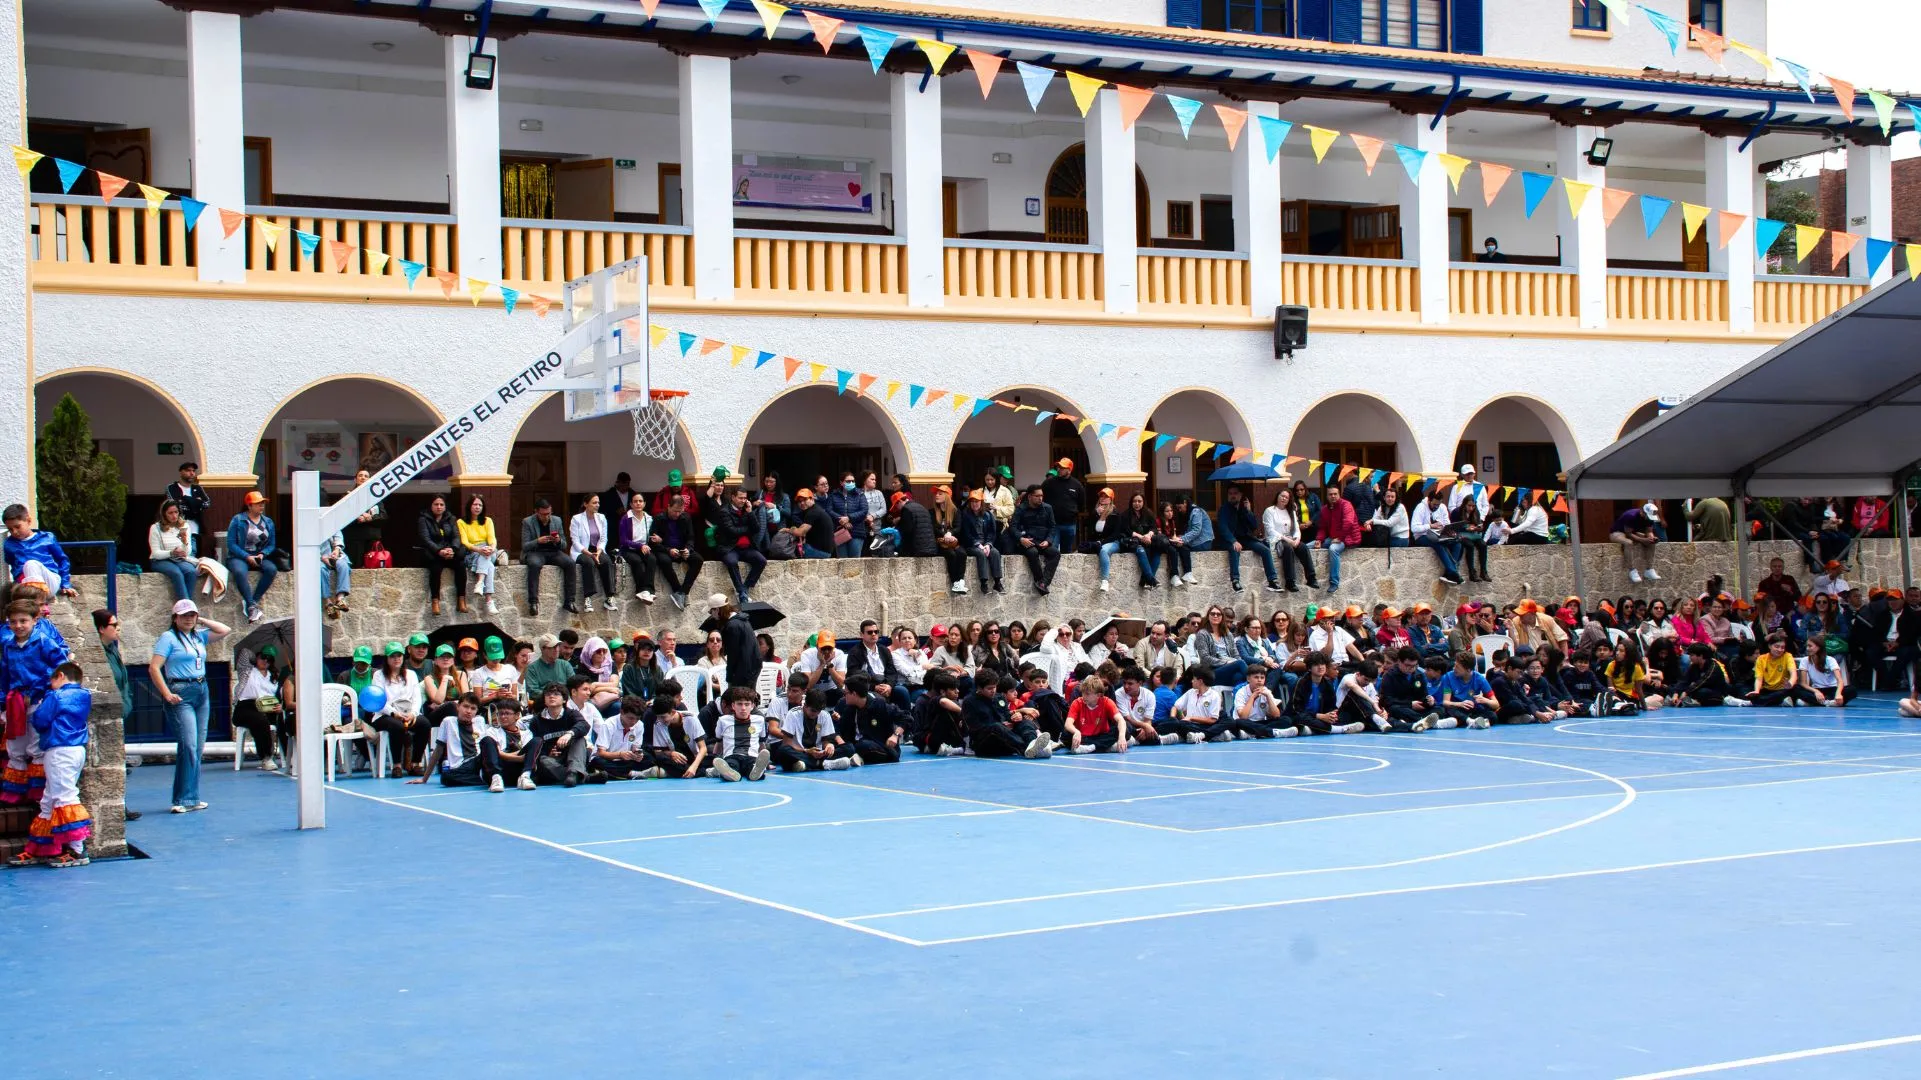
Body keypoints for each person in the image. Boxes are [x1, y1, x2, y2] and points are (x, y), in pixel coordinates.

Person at [148, 599, 229, 813]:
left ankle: (192, 797)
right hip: (181, 691)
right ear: (175, 618)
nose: (188, 619)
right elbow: (154, 668)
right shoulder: (168, 638)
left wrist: (200, 619)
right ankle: (182, 799)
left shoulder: (197, 635)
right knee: (189, 745)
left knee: (198, 746)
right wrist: (166, 693)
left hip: (202, 689)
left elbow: (224, 630)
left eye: (192, 615)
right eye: (184, 615)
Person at [13, 662, 92, 867]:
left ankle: (78, 850)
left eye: (52, 679)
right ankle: (43, 846)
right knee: (50, 799)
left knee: (64, 797)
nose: (50, 683)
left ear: (61, 676)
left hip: (58, 749)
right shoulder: (85, 695)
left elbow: (39, 720)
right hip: (77, 749)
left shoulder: (55, 696)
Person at [216, 492, 277, 623]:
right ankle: (251, 604)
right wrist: (247, 556)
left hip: (259, 556)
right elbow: (231, 544)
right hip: (239, 556)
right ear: (249, 506)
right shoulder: (238, 520)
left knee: (271, 569)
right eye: (258, 503)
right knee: (239, 571)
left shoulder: (268, 522)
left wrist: (263, 554)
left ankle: (252, 602)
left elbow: (272, 544)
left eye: (262, 503)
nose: (261, 506)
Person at [961, 674, 1052, 759]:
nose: (993, 690)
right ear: (979, 688)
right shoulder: (969, 702)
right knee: (996, 727)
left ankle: (1032, 745)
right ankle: (1027, 749)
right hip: (985, 743)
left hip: (1006, 739)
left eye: (994, 687)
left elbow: (1006, 715)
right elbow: (975, 728)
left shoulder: (999, 697)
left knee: (1024, 721)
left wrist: (1015, 717)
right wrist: (1002, 726)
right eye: (989, 688)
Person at [230, 646, 287, 770]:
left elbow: (278, 696)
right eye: (263, 657)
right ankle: (266, 757)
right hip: (247, 706)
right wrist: (262, 651)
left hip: (268, 707)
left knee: (285, 717)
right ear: (257, 658)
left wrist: (279, 707)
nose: (265, 661)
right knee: (260, 720)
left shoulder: (274, 677)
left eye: (269, 659)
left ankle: (290, 754)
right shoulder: (247, 671)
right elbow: (244, 652)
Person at [2, 504, 75, 601]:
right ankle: (34, 601)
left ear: (28, 521)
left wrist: (65, 584)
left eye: (17, 526)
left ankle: (38, 601)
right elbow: (12, 564)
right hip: (25, 585)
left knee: (31, 564)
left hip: (49, 582)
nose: (14, 532)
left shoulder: (47, 538)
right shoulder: (9, 544)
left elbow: (62, 560)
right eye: (10, 529)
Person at [1217, 486, 1282, 593]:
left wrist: (1249, 511)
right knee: (1235, 549)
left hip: (1245, 538)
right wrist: (1233, 541)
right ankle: (1235, 581)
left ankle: (1272, 581)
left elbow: (1254, 526)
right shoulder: (1224, 509)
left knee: (1265, 550)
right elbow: (1223, 527)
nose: (1232, 495)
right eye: (1230, 493)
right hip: (1229, 540)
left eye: (1235, 493)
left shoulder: (1244, 508)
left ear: (1240, 495)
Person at [148, 500, 213, 603]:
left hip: (179, 558)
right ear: (164, 514)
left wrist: (185, 543)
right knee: (176, 573)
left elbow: (187, 552)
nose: (174, 516)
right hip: (160, 560)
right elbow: (155, 552)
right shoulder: (155, 528)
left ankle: (188, 603)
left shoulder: (184, 526)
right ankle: (185, 606)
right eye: (170, 513)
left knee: (191, 571)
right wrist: (171, 553)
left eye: (176, 512)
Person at [519, 498, 575, 618]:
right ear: (536, 512)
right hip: (536, 552)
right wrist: (537, 541)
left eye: (549, 513)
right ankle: (533, 602)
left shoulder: (557, 520)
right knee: (534, 565)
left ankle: (570, 601)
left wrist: (558, 540)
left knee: (570, 563)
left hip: (553, 551)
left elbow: (564, 544)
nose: (547, 517)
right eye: (544, 514)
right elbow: (525, 546)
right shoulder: (527, 522)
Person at [714, 488, 768, 605]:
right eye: (740, 498)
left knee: (761, 561)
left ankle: (744, 589)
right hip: (730, 547)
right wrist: (748, 530)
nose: (743, 501)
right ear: (733, 497)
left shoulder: (746, 510)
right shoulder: (724, 511)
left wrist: (750, 512)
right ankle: (741, 591)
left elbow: (757, 528)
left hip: (747, 548)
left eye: (745, 498)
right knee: (732, 562)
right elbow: (731, 531)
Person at [415, 494, 467, 616]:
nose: (439, 507)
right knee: (435, 568)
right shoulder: (423, 519)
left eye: (441, 504)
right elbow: (425, 539)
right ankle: (435, 601)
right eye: (436, 504)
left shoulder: (451, 518)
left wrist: (452, 549)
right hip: (434, 553)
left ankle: (461, 599)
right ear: (431, 506)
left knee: (460, 565)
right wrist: (439, 551)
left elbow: (456, 536)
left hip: (449, 552)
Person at [652, 492, 704, 608]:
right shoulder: (659, 518)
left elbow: (691, 537)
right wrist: (669, 550)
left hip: (681, 549)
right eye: (675, 511)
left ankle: (683, 592)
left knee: (698, 559)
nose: (677, 514)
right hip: (665, 549)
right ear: (668, 506)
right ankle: (677, 590)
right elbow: (653, 542)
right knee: (664, 561)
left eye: (680, 511)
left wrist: (688, 549)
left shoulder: (685, 517)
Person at [1009, 485, 1061, 595]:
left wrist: (1048, 540)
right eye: (1037, 496)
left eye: (1041, 496)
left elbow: (1053, 527)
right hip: (1027, 541)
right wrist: (1021, 538)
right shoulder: (1021, 509)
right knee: (1033, 552)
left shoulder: (1048, 508)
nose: (1040, 498)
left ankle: (1043, 583)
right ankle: (1040, 581)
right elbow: (1013, 526)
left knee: (1055, 553)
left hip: (1043, 541)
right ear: (1029, 497)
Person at [1263, 488, 1315, 592]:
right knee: (1288, 548)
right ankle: (1290, 582)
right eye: (1282, 496)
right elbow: (1270, 530)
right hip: (1276, 539)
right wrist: (1287, 540)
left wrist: (1296, 539)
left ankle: (1311, 578)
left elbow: (1296, 528)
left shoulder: (1291, 511)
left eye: (1286, 497)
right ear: (1277, 496)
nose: (1284, 498)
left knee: (1303, 547)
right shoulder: (1269, 511)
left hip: (1290, 538)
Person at [1410, 488, 1465, 585]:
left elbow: (1447, 523)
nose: (1436, 507)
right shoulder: (1420, 507)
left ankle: (1449, 573)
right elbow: (1414, 528)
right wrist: (1430, 526)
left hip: (1440, 534)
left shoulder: (1442, 507)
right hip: (1422, 536)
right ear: (1429, 501)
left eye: (1438, 505)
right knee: (1438, 544)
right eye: (1434, 504)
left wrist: (1450, 531)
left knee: (1457, 543)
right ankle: (1453, 572)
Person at [456, 495, 500, 615]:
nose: (477, 507)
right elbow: (465, 542)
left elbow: (492, 538)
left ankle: (480, 583)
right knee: (490, 566)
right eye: (475, 504)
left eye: (480, 505)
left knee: (486, 556)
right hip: (472, 552)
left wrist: (491, 548)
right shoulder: (461, 522)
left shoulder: (487, 520)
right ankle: (489, 600)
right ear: (469, 506)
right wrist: (479, 549)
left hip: (489, 550)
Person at [955, 489, 1005, 594]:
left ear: (981, 502)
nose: (974, 504)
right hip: (972, 544)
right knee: (981, 554)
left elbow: (992, 532)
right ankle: (984, 582)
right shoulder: (966, 515)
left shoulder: (988, 515)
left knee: (995, 552)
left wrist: (988, 544)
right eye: (972, 501)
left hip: (985, 543)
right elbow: (966, 534)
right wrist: (978, 545)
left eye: (977, 501)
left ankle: (997, 582)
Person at [612, 492, 658, 604]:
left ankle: (649, 591)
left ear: (644, 504)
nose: (638, 503)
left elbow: (652, 534)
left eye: (640, 501)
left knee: (652, 559)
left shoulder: (649, 518)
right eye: (635, 501)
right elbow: (623, 540)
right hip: (628, 548)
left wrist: (656, 538)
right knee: (637, 561)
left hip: (644, 548)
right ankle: (641, 590)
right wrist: (640, 545)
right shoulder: (625, 519)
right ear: (631, 504)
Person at [1315, 484, 1360, 593]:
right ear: (1327, 496)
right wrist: (1319, 540)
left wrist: (1340, 537)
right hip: (1332, 538)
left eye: (1335, 494)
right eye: (1330, 494)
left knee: (1333, 549)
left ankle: (1334, 582)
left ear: (1339, 495)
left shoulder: (1346, 505)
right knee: (1308, 546)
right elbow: (1323, 528)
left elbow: (1348, 523)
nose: (1333, 496)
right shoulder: (1325, 509)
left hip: (1348, 538)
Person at [1433, 651, 1497, 728]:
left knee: (1493, 716)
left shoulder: (1480, 679)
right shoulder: (1448, 677)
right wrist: (1460, 704)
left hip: (1472, 709)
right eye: (1455, 665)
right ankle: (1471, 722)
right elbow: (1446, 702)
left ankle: (1463, 721)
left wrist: (1485, 700)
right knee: (1449, 710)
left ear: (1468, 670)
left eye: (1457, 667)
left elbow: (1496, 704)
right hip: (1456, 708)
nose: (1454, 668)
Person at [166, 462, 212, 555]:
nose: (192, 473)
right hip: (177, 525)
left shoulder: (198, 488)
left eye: (193, 471)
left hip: (194, 526)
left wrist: (186, 499)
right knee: (179, 550)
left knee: (192, 551)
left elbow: (207, 504)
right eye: (188, 470)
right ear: (181, 472)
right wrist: (196, 503)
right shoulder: (172, 488)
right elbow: (176, 506)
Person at [1041, 457, 1086, 552]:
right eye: (1058, 467)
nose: (1059, 469)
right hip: (1053, 524)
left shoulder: (1077, 485)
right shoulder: (1049, 483)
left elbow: (1081, 504)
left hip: (1070, 524)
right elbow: (1040, 498)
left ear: (1069, 470)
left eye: (1062, 468)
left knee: (1067, 552)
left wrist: (1074, 513)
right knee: (1053, 550)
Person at [1610, 503, 1661, 584]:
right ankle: (1632, 570)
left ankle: (1649, 569)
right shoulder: (1631, 516)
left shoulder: (1649, 518)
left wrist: (1651, 538)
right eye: (1648, 516)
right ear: (1642, 512)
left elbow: (1649, 531)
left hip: (1633, 532)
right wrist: (1643, 540)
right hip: (1617, 532)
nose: (1649, 518)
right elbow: (1628, 533)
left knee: (1651, 543)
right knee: (1628, 543)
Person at [824, 473, 869, 558]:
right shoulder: (834, 495)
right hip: (840, 531)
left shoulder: (860, 494)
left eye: (853, 481)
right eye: (848, 481)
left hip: (856, 532)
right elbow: (829, 510)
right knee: (842, 560)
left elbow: (864, 510)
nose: (851, 483)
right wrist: (842, 521)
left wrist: (849, 518)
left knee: (854, 561)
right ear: (841, 483)